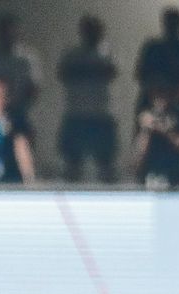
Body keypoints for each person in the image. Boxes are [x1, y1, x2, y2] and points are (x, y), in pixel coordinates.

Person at [58, 14, 119, 183]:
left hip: (102, 113)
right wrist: (91, 71)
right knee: (72, 161)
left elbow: (111, 72)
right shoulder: (72, 54)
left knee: (106, 161)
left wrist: (84, 71)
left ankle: (110, 198)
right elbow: (63, 74)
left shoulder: (107, 53)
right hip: (76, 112)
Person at [0, 12, 42, 120]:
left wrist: (20, 107)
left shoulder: (27, 60)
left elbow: (34, 89)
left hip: (20, 113)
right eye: (4, 32)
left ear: (17, 32)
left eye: (11, 31)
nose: (8, 35)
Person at [134, 7, 179, 111]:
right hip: (152, 98)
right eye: (170, 24)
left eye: (174, 24)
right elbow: (140, 74)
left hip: (177, 101)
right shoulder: (153, 48)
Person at [133, 84, 179, 187]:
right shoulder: (145, 120)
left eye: (163, 96)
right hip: (152, 177)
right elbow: (136, 161)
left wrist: (166, 131)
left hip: (177, 176)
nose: (160, 101)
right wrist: (145, 131)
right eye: (156, 97)